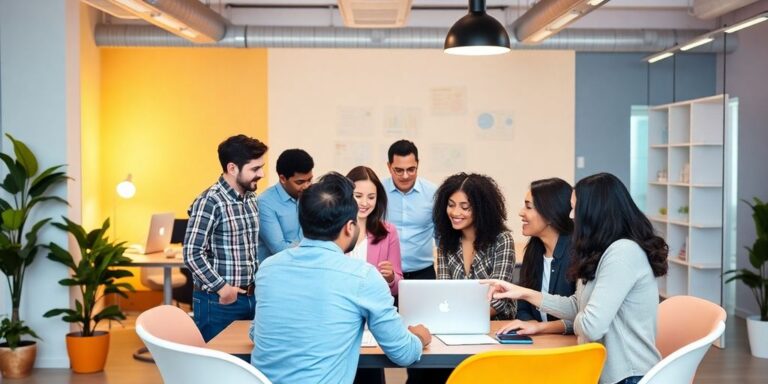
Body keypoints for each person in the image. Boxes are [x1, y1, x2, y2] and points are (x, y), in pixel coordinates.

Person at [484, 173, 668, 384]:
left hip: (629, 376)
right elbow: (578, 305)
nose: (570, 216)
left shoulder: (623, 253)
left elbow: (591, 325)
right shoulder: (601, 251)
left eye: (574, 208)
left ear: (594, 212)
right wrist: (524, 293)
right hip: (602, 371)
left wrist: (575, 317)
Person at [250, 172, 431, 384]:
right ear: (349, 227)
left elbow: (256, 333)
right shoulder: (363, 276)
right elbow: (404, 353)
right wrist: (419, 337)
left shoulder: (268, 269)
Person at [183, 134, 268, 342]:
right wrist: (223, 288)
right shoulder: (210, 201)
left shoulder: (250, 198)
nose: (262, 174)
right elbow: (192, 253)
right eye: (255, 169)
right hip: (219, 302)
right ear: (232, 168)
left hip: (251, 298)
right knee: (216, 368)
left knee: (247, 365)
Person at [497, 178, 576, 336]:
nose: (521, 212)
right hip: (540, 344)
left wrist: (540, 328)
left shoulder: (577, 253)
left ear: (550, 215)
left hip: (570, 348)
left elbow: (581, 315)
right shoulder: (534, 250)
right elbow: (523, 308)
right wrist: (531, 324)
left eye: (528, 207)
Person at [433, 172, 517, 320]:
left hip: (496, 326)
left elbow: (498, 299)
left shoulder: (502, 240)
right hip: (455, 321)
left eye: (465, 207)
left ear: (482, 209)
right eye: (451, 205)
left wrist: (461, 317)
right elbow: (443, 291)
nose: (455, 212)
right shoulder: (445, 240)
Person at [384, 139, 437, 280]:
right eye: (399, 170)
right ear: (389, 167)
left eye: (411, 169)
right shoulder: (378, 192)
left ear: (417, 165)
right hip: (386, 273)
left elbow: (441, 237)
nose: (405, 175)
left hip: (423, 273)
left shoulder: (433, 193)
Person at [346, 165, 403, 296]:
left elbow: (398, 288)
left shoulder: (388, 232)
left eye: (371, 197)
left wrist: (391, 278)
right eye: (358, 196)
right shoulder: (334, 230)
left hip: (373, 308)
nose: (364, 203)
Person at [257, 148, 314, 264]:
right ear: (282, 179)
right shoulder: (265, 203)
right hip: (275, 273)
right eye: (300, 182)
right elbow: (279, 249)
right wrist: (312, 250)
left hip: (304, 268)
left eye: (309, 180)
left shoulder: (310, 196)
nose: (307, 186)